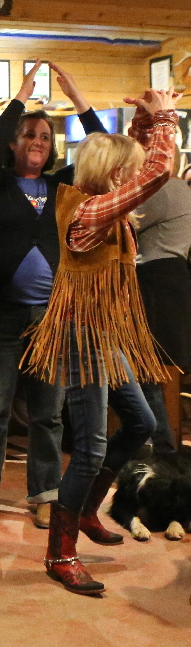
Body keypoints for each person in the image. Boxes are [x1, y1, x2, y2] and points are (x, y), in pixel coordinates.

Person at [23, 87, 179, 595]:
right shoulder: (89, 214)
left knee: (142, 422)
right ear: (112, 175)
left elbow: (139, 158)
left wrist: (144, 119)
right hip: (82, 336)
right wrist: (166, 119)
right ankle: (60, 553)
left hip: (104, 333)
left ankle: (88, 509)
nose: (132, 178)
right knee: (89, 450)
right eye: (124, 172)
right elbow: (155, 172)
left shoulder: (99, 202)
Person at [0, 62, 106, 531]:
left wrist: (78, 100)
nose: (38, 141)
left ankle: (45, 493)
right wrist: (20, 98)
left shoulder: (62, 186)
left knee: (48, 414)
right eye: (28, 134)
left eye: (45, 136)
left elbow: (103, 151)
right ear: (14, 142)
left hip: (51, 316)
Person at [134, 162, 191, 453]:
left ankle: (161, 447)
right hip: (171, 278)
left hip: (156, 281)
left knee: (149, 368)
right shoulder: (179, 188)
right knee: (153, 368)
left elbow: (127, 221)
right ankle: (161, 445)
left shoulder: (163, 188)